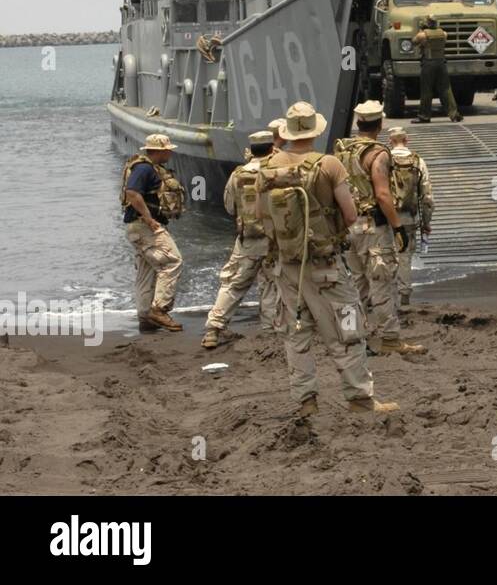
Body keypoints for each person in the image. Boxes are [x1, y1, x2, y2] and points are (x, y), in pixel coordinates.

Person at [257, 101, 398, 415]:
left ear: (288, 132)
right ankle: (360, 398)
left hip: (287, 266)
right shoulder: (329, 164)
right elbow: (350, 215)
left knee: (297, 333)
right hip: (326, 266)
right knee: (348, 330)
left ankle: (306, 401)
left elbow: (258, 215)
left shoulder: (267, 167)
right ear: (314, 130)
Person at [334, 101, 427, 355]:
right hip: (373, 227)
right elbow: (383, 195)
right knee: (382, 284)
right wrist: (397, 228)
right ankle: (390, 339)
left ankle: (353, 338)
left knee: (355, 286)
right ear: (380, 124)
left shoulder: (343, 150)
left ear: (358, 123)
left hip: (349, 226)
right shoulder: (378, 154)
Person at [202, 131, 282, 348]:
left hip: (247, 239)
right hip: (275, 240)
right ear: (271, 148)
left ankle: (213, 329)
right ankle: (270, 330)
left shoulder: (238, 174)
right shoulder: (279, 172)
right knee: (271, 285)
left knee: (233, 284)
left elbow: (229, 206)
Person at [120, 133, 187, 332]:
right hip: (145, 227)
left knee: (146, 271)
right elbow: (132, 192)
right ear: (160, 150)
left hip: (137, 228)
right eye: (168, 149)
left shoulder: (146, 167)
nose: (170, 152)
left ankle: (145, 318)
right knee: (173, 261)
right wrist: (149, 219)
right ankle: (159, 310)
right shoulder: (144, 169)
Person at [386, 127, 434, 308]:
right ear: (407, 140)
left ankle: (385, 298)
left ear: (390, 141)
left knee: (385, 256)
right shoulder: (417, 161)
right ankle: (404, 296)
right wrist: (426, 223)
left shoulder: (383, 159)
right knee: (404, 256)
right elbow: (427, 197)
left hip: (387, 216)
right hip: (408, 217)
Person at [412, 17, 462, 123]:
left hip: (429, 63)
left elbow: (414, 42)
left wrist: (421, 30)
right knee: (446, 89)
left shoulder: (422, 35)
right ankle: (454, 114)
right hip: (441, 63)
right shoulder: (444, 33)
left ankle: (424, 116)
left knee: (426, 90)